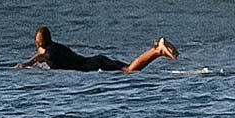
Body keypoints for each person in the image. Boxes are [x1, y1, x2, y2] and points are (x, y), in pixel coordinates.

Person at [15, 26, 178, 73]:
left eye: (36, 43)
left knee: (129, 70)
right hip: (95, 60)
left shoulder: (50, 53)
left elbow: (39, 58)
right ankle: (157, 50)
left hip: (94, 65)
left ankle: (157, 51)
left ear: (39, 43)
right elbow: (40, 56)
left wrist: (26, 64)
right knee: (128, 68)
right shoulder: (54, 46)